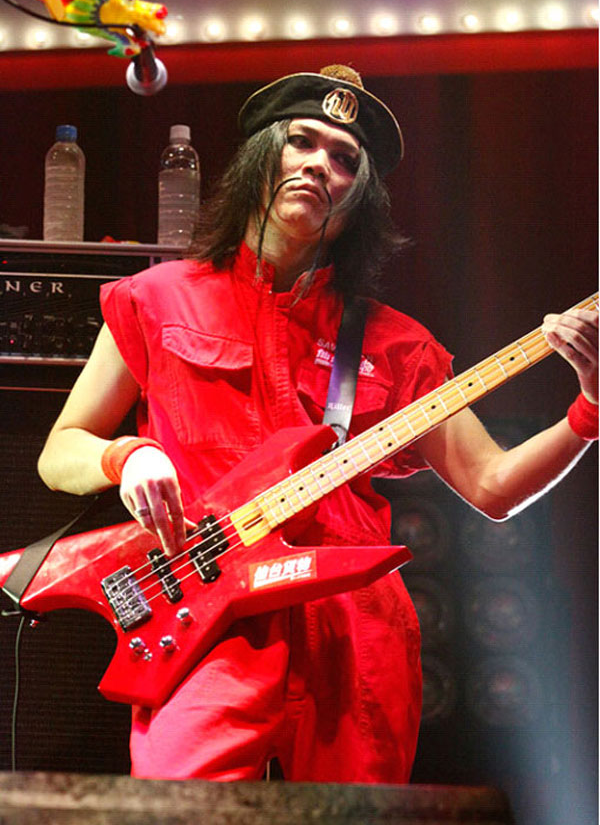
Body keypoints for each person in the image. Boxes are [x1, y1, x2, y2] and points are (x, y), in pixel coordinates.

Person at [37, 64, 598, 783]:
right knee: (180, 822)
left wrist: (589, 410)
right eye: (301, 141)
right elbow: (60, 452)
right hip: (207, 618)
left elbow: (493, 486)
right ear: (259, 157)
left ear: (359, 197)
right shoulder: (154, 299)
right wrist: (129, 457)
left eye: (344, 159)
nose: (318, 164)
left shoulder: (397, 344)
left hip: (353, 628)